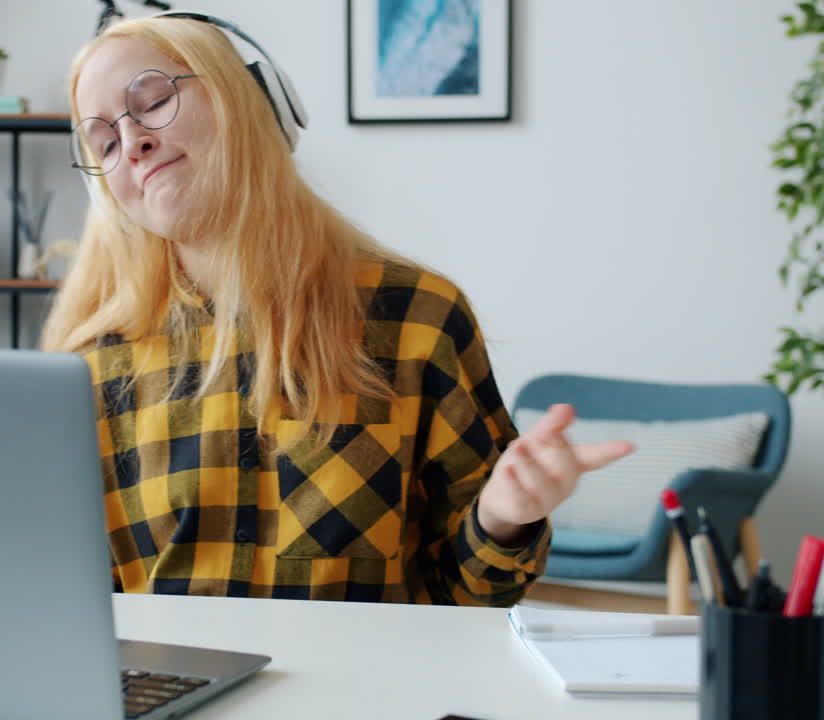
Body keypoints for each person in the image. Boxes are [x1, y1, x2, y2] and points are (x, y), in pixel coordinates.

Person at [42, 14, 633, 605]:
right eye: (105, 144)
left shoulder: (418, 319)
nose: (133, 143)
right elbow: (71, 604)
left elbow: (469, 595)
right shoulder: (93, 366)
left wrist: (502, 519)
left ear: (253, 98)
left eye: (153, 102)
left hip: (373, 670)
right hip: (169, 670)